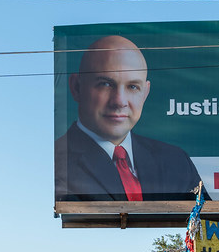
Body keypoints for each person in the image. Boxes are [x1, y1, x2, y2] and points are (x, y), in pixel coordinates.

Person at [55, 35, 205, 201]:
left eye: (133, 87)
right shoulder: (59, 162)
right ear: (76, 87)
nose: (119, 101)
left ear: (145, 93)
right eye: (105, 84)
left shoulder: (176, 162)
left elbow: (212, 223)